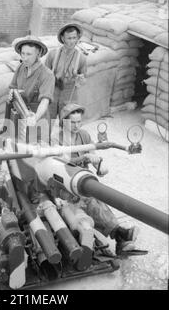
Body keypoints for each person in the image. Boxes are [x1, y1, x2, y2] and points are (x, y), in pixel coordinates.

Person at [54, 103, 139, 255]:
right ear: (63, 122)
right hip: (65, 184)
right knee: (91, 201)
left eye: (79, 121)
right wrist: (84, 157)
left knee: (98, 197)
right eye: (72, 122)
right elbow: (61, 164)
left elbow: (94, 158)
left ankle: (120, 236)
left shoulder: (84, 135)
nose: (76, 126)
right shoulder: (56, 139)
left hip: (84, 181)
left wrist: (99, 166)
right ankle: (120, 234)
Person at [9, 35, 55, 142]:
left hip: (38, 118)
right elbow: (13, 87)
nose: (24, 58)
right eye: (23, 53)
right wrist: (12, 93)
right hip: (21, 115)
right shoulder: (21, 67)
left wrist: (35, 118)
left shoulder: (47, 74)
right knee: (19, 148)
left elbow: (45, 101)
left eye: (29, 54)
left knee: (37, 151)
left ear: (38, 54)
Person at [45, 23, 87, 120]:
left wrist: (80, 79)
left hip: (70, 93)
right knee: (47, 121)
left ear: (77, 38)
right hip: (53, 90)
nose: (72, 41)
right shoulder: (52, 54)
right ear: (63, 38)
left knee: (67, 124)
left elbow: (84, 79)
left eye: (74, 38)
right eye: (69, 38)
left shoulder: (81, 58)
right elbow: (44, 76)